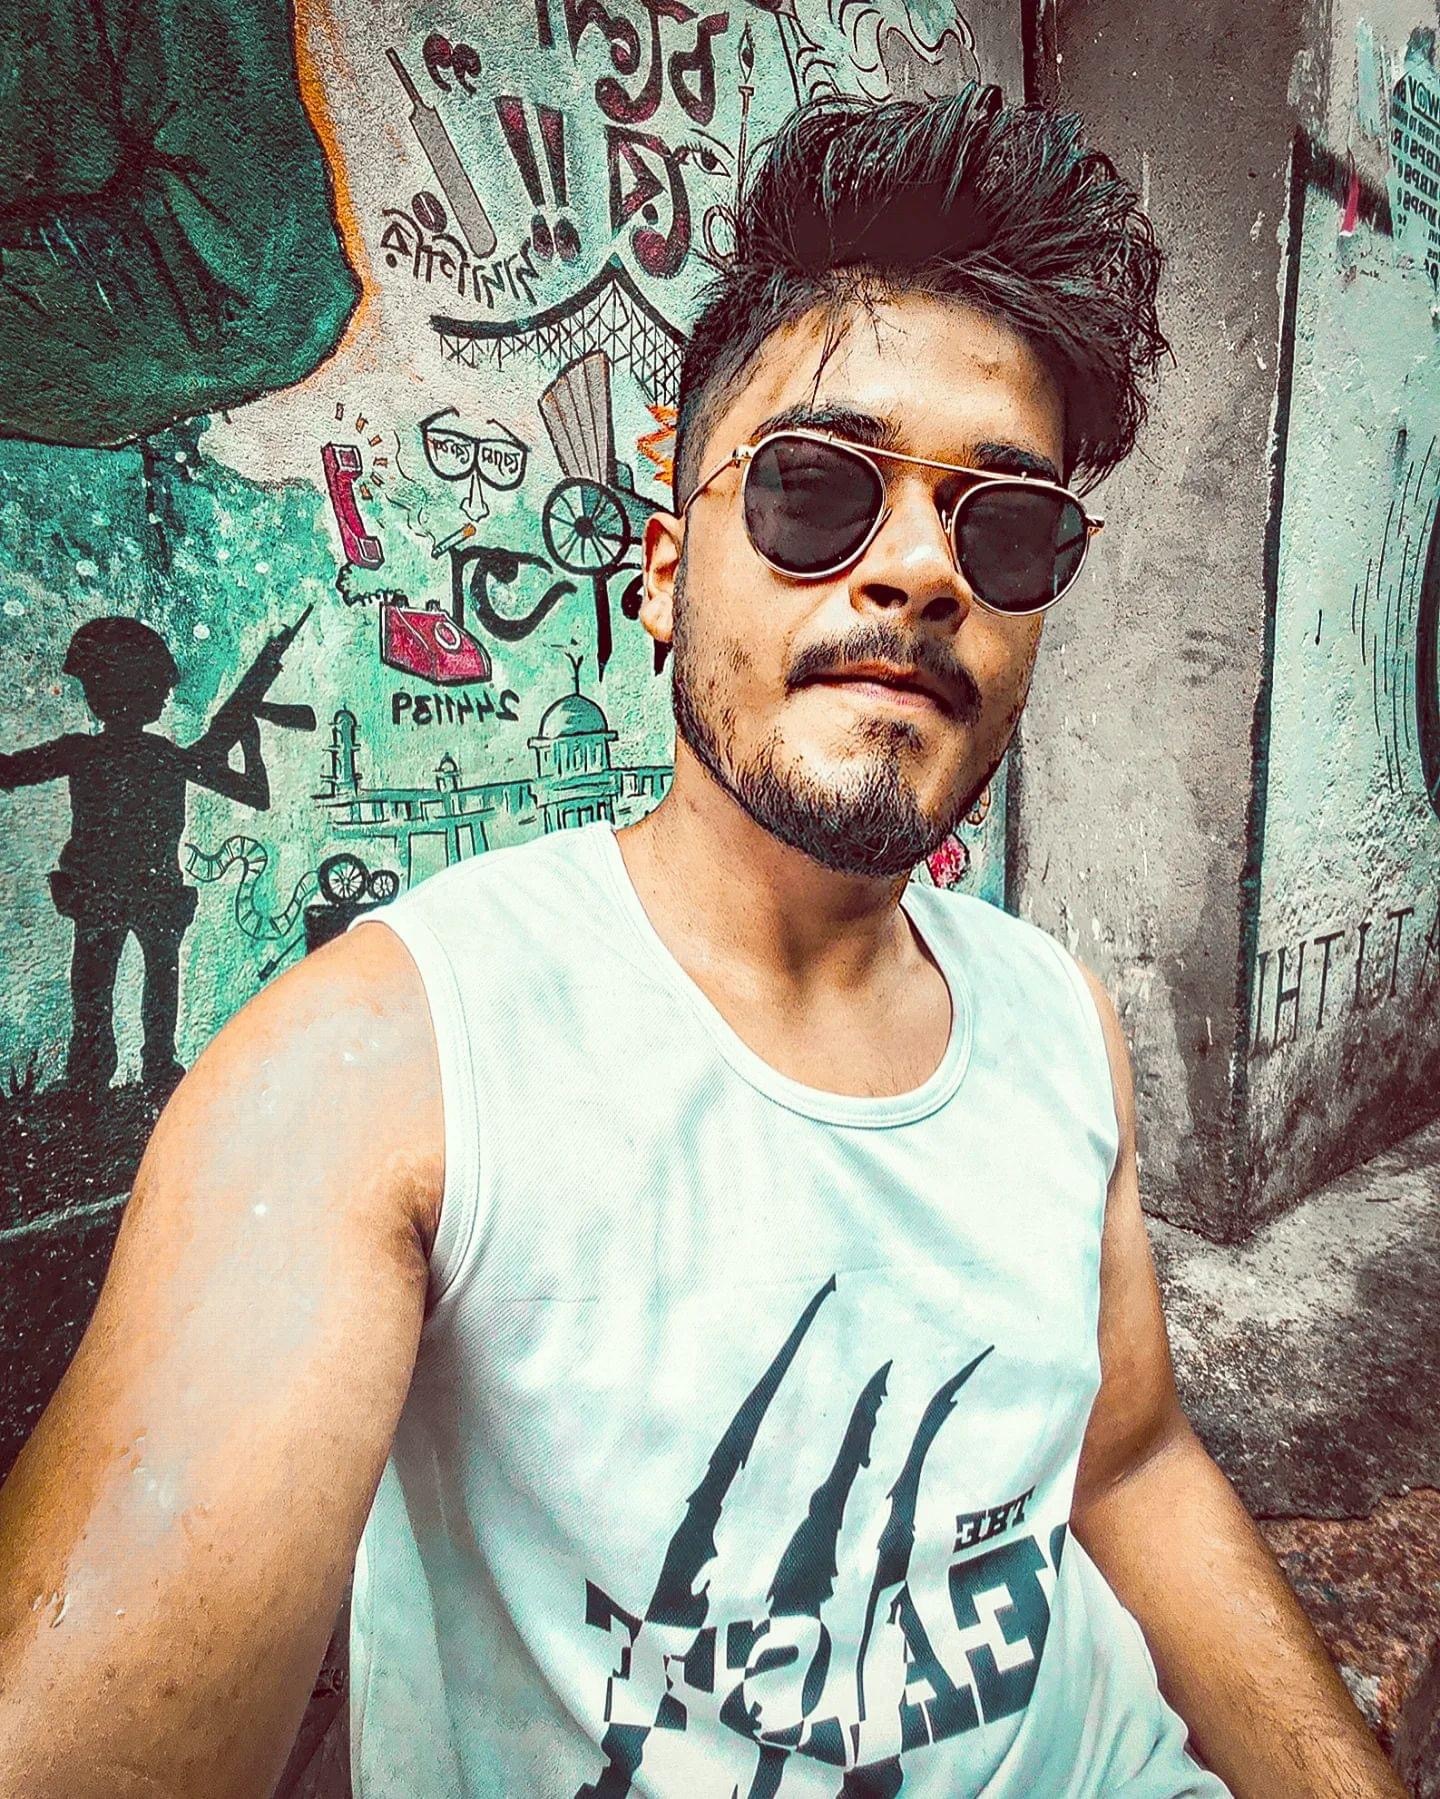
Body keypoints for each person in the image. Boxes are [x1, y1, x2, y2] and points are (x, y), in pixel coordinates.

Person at [0, 89, 1404, 1799]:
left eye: (1004, 524)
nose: (920, 571)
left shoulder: (1061, 1019)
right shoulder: (388, 1066)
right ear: (664, 574)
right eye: (817, 490)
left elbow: (1132, 1462)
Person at [0, 618, 270, 1096]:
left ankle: (92, 1077)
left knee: (94, 991)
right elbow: (253, 792)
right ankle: (154, 1070)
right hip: (151, 892)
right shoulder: (165, 756)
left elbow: (10, 771)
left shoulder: (83, 751)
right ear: (138, 692)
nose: (166, 696)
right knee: (150, 987)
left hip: (100, 893)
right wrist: (247, 738)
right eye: (159, 687)